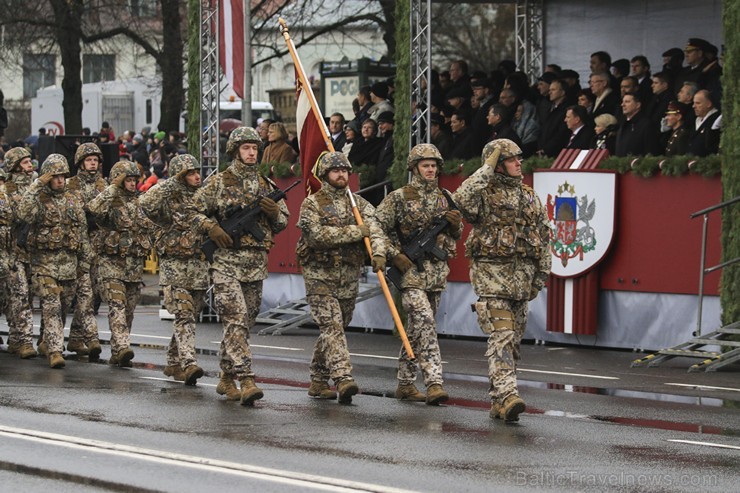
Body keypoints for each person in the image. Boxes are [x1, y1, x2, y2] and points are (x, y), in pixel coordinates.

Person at [187, 127, 289, 406]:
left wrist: (274, 212)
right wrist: (211, 227)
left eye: (255, 148)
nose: (252, 152)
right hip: (226, 263)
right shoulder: (219, 183)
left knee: (243, 324)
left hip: (255, 264)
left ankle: (225, 376)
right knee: (235, 319)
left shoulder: (266, 184)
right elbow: (191, 211)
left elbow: (282, 224)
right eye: (245, 148)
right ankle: (246, 378)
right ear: (234, 151)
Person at [453, 139, 550, 422]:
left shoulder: (529, 196)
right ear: (496, 164)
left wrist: (540, 276)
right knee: (503, 336)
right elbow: (460, 199)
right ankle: (508, 395)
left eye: (519, 158)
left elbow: (544, 237)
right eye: (511, 159)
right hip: (492, 279)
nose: (519, 163)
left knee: (514, 343)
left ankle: (498, 400)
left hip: (522, 281)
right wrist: (486, 167)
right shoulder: (484, 193)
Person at [296, 151, 386, 404]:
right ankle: (343, 378)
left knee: (338, 326)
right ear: (325, 175)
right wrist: (355, 232)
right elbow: (316, 236)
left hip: (348, 275)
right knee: (331, 326)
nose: (341, 175)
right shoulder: (312, 203)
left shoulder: (358, 204)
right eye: (336, 171)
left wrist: (378, 252)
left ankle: (317, 379)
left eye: (345, 171)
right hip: (319, 275)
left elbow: (376, 228)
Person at [375, 144, 461, 405]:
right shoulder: (399, 197)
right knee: (425, 324)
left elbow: (455, 233)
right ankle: (434, 382)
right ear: (414, 168)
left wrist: (456, 226)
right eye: (425, 165)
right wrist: (392, 253)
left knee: (416, 330)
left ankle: (405, 383)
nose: (431, 169)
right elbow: (377, 225)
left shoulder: (445, 196)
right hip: (410, 272)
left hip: (435, 273)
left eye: (434, 165)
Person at [139, 154, 208, 385]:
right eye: (190, 173)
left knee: (190, 315)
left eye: (197, 171)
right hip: (175, 266)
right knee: (184, 314)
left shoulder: (203, 197)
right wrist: (170, 183)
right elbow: (145, 204)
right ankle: (189, 363)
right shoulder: (167, 198)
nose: (197, 176)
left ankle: (173, 360)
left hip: (198, 265)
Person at [17, 154, 90, 369]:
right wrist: (36, 184)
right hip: (44, 263)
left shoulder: (73, 198)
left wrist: (85, 262)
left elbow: (82, 231)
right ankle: (56, 351)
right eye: (55, 176)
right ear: (47, 177)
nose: (60, 180)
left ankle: (47, 341)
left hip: (69, 264)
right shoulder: (38, 198)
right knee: (51, 305)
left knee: (64, 306)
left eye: (63, 176)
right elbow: (22, 213)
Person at [88, 160, 156, 368]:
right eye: (128, 179)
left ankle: (118, 350)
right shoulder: (108, 201)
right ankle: (123, 345)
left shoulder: (141, 202)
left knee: (128, 310)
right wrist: (112, 187)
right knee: (116, 305)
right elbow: (93, 209)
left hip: (134, 267)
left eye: (135, 179)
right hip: (111, 264)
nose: (132, 183)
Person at [65, 143, 106, 359]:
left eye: (95, 160)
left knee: (92, 294)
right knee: (74, 294)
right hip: (77, 246)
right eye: (89, 160)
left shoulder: (103, 185)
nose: (92, 163)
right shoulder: (70, 185)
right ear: (81, 162)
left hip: (98, 246)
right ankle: (50, 337)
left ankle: (76, 337)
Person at [2, 146, 37, 359]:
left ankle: (16, 338)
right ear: (14, 166)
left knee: (27, 296)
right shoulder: (8, 190)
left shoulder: (36, 186)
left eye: (29, 161)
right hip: (13, 251)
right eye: (24, 162)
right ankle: (24, 341)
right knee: (19, 295)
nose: (29, 165)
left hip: (33, 251)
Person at [688, 89, 721, 157]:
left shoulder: (716, 120)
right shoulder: (696, 120)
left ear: (709, 104)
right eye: (694, 103)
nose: (693, 106)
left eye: (698, 103)